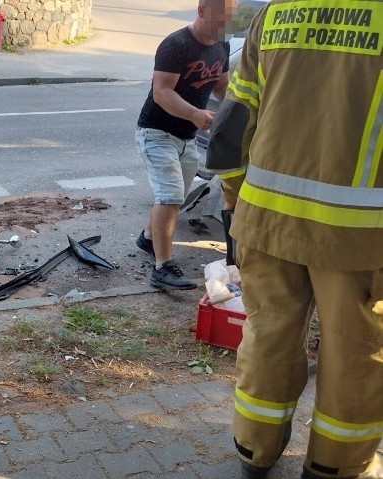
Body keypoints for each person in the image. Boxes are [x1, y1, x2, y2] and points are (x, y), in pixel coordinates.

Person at [211, 1, 383, 478]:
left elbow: (233, 119)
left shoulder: (278, 12)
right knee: (355, 351)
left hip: (266, 218)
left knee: (267, 335)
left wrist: (234, 195)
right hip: (360, 237)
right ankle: (335, 465)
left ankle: (253, 450)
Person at [134, 0, 234, 290]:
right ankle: (163, 267)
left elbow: (222, 86)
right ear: (202, 11)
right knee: (171, 196)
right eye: (219, 18)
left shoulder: (222, 47)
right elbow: (162, 92)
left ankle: (148, 238)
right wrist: (194, 113)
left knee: (171, 195)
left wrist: (236, 111)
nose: (223, 25)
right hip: (156, 131)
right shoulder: (176, 44)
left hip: (187, 137)